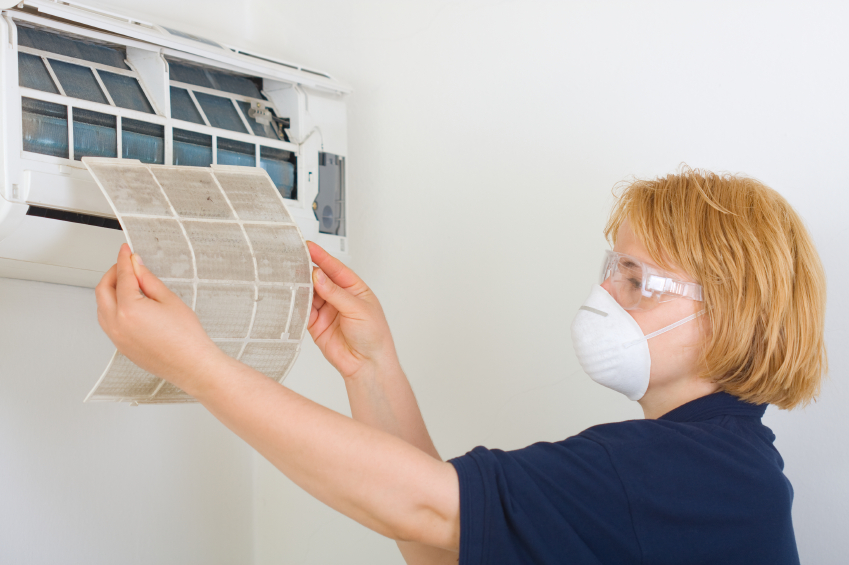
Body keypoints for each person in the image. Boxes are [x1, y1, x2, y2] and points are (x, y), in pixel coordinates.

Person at [95, 168, 826, 565]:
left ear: (728, 313)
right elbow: (444, 541)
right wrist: (370, 368)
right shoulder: (721, 465)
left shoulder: (672, 473)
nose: (603, 293)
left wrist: (198, 366)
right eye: (610, 268)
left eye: (635, 278)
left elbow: (426, 507)